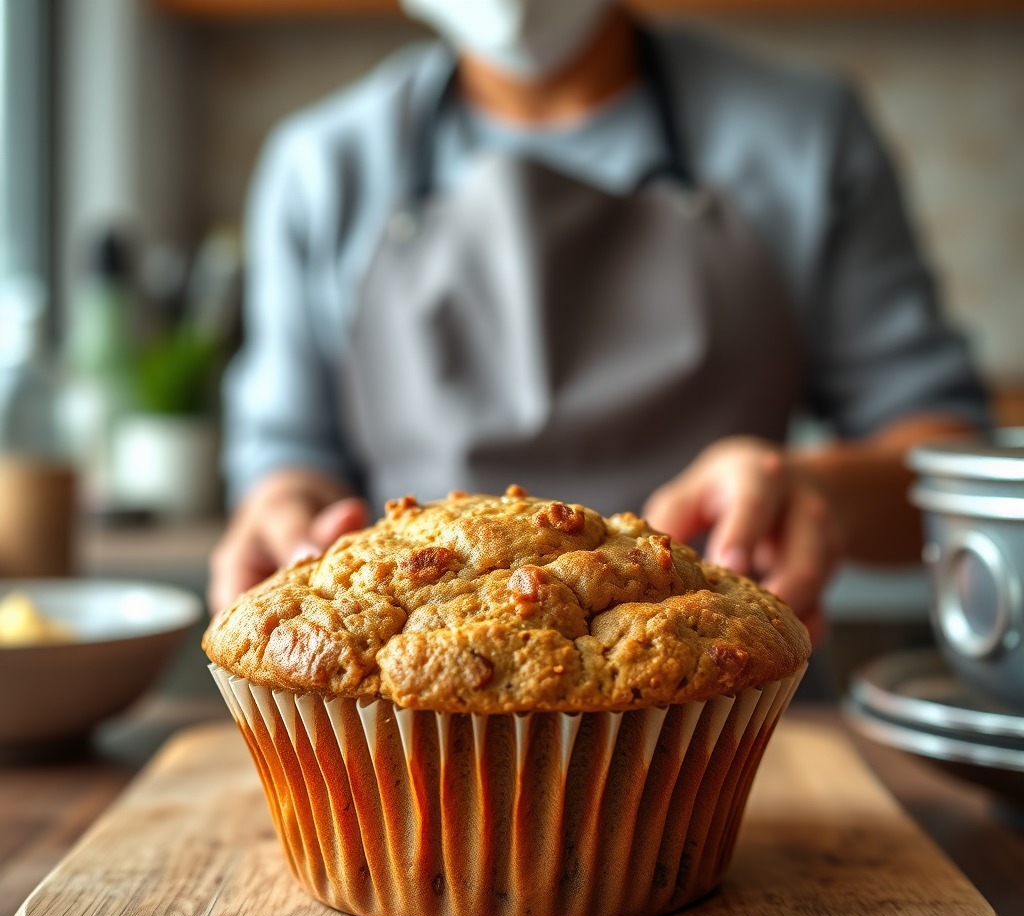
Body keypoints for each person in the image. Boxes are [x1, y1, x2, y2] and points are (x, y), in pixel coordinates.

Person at [208, 0, 989, 651]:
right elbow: (290, 461)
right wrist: (280, 512)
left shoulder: (803, 136)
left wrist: (805, 491)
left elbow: (952, 468)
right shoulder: (323, 166)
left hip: (712, 709)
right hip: (403, 736)